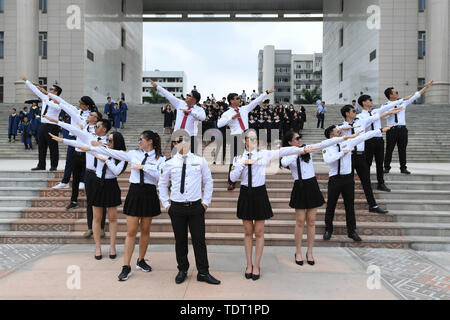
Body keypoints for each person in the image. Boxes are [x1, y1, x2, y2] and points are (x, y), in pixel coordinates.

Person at [229, 130, 319, 280]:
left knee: (259, 232)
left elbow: (283, 151)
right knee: (247, 232)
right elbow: (232, 178)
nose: (253, 142)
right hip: (245, 194)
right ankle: (249, 264)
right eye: (250, 139)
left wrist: (301, 149)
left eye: (255, 139)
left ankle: (257, 265)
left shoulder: (263, 154)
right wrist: (242, 164)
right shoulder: (238, 158)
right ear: (244, 141)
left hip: (259, 194)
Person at [87, 130, 164, 281]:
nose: (139, 141)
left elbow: (160, 174)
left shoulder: (160, 158)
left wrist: (144, 167)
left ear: (149, 141)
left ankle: (141, 260)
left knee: (146, 229)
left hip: (149, 193)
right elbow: (114, 153)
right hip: (134, 192)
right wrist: (91, 146)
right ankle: (126, 266)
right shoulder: (133, 154)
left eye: (141, 139)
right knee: (131, 231)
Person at [281, 130, 362, 265]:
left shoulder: (308, 149)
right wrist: (299, 151)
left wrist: (345, 137)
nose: (300, 140)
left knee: (311, 221)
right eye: (297, 139)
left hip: (312, 185)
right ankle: (299, 251)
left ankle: (310, 252)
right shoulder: (288, 153)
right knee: (300, 221)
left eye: (300, 138)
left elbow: (324, 143)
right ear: (290, 142)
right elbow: (284, 163)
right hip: (300, 186)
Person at [158, 134, 220, 285]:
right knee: (180, 241)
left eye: (186, 140)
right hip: (177, 207)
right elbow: (162, 184)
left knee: (199, 240)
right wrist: (166, 204)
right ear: (174, 144)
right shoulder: (169, 163)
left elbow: (208, 182)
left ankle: (203, 272)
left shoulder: (199, 161)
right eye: (180, 141)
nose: (184, 143)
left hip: (195, 207)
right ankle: (182, 269)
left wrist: (205, 203)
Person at [322, 125, 393, 242]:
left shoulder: (348, 142)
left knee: (349, 206)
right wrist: (342, 153)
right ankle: (328, 229)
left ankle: (352, 231)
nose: (340, 133)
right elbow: (328, 160)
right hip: (335, 179)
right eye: (337, 132)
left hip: (348, 179)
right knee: (331, 205)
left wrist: (380, 130)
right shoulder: (326, 145)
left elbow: (365, 136)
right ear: (331, 135)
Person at [337, 104, 404, 214]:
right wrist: (340, 130)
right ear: (347, 113)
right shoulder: (340, 127)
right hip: (348, 157)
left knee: (366, 181)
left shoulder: (361, 122)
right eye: (353, 111)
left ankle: (373, 205)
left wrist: (390, 112)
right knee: (348, 183)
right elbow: (331, 135)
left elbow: (376, 117)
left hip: (360, 156)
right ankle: (349, 206)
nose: (355, 112)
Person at [45, 92, 97, 208]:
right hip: (76, 142)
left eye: (81, 104)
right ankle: (69, 189)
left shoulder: (92, 124)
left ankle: (90, 200)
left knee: (87, 174)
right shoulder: (78, 114)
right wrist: (47, 94)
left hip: (87, 149)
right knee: (71, 164)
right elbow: (64, 105)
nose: (79, 105)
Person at [217, 86, 275, 191]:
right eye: (237, 98)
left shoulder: (244, 109)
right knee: (235, 159)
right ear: (231, 100)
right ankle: (231, 181)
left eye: (239, 98)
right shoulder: (227, 113)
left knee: (251, 157)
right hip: (236, 136)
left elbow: (256, 101)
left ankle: (251, 178)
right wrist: (231, 118)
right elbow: (219, 124)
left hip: (247, 136)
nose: (239, 100)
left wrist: (266, 92)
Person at [357, 93, 415, 191]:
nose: (371, 101)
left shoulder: (376, 111)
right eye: (369, 100)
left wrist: (401, 100)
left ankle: (381, 183)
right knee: (367, 163)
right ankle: (366, 183)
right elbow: (367, 122)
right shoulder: (360, 116)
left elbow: (389, 106)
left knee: (380, 163)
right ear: (364, 103)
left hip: (379, 140)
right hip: (368, 141)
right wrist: (386, 114)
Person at [383, 80, 434, 174]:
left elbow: (416, 95)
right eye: (396, 92)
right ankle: (386, 167)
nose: (398, 93)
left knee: (402, 149)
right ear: (390, 95)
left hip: (402, 129)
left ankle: (403, 168)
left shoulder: (402, 102)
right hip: (391, 130)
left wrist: (426, 87)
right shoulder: (385, 106)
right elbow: (385, 116)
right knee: (389, 149)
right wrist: (391, 110)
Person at [149, 78, 205, 154]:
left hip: (190, 137)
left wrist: (191, 112)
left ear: (194, 99)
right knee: (175, 159)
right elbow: (168, 95)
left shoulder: (199, 109)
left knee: (190, 160)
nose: (186, 96)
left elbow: (203, 117)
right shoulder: (180, 103)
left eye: (189, 95)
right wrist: (157, 87)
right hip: (177, 136)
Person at [21, 75, 62, 171]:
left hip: (52, 126)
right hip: (43, 125)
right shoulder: (45, 97)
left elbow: (58, 108)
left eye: (51, 89)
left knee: (53, 147)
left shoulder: (58, 101)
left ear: (56, 92)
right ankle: (41, 165)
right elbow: (35, 90)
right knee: (41, 146)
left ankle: (53, 166)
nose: (49, 90)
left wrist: (47, 100)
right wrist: (26, 81)